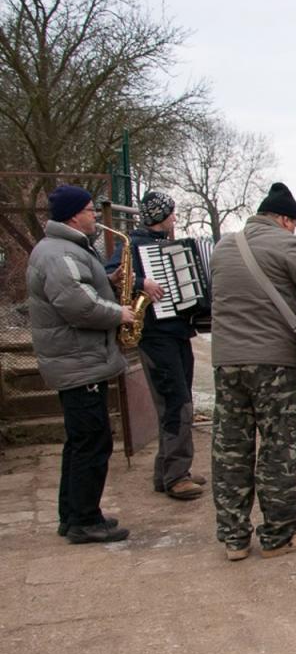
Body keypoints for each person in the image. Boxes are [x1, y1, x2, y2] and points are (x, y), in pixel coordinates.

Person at [209, 182, 296, 561]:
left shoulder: (223, 247)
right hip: (273, 363)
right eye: (295, 224)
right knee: (279, 446)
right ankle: (278, 535)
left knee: (230, 448)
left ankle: (234, 539)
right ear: (286, 220)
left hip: (226, 362)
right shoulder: (286, 244)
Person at [27, 185, 139, 543]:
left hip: (78, 360)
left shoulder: (64, 249)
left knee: (81, 441)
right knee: (92, 441)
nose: (95, 216)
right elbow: (78, 305)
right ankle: (85, 521)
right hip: (78, 362)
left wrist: (108, 281)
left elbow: (79, 289)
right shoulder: (59, 253)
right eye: (90, 210)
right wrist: (119, 313)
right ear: (75, 216)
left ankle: (73, 515)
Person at [105, 191, 204, 501]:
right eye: (171, 212)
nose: (174, 217)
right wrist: (141, 283)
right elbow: (109, 275)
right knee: (176, 403)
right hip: (155, 335)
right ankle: (176, 476)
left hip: (178, 333)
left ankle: (168, 472)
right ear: (159, 215)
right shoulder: (132, 246)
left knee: (180, 400)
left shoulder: (167, 245)